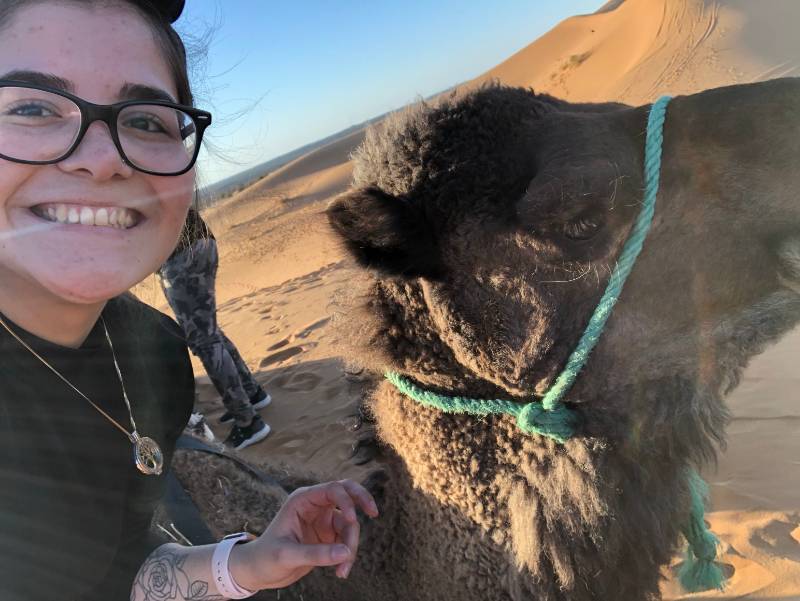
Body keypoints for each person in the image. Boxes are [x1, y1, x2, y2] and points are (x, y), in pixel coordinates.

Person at [0, 1, 378, 600]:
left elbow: (122, 574)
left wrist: (243, 565)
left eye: (146, 121)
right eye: (31, 108)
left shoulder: (156, 356)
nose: (100, 161)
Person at [159, 207, 272, 450]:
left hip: (181, 254)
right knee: (209, 332)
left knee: (204, 340)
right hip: (196, 244)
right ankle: (252, 394)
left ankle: (248, 421)